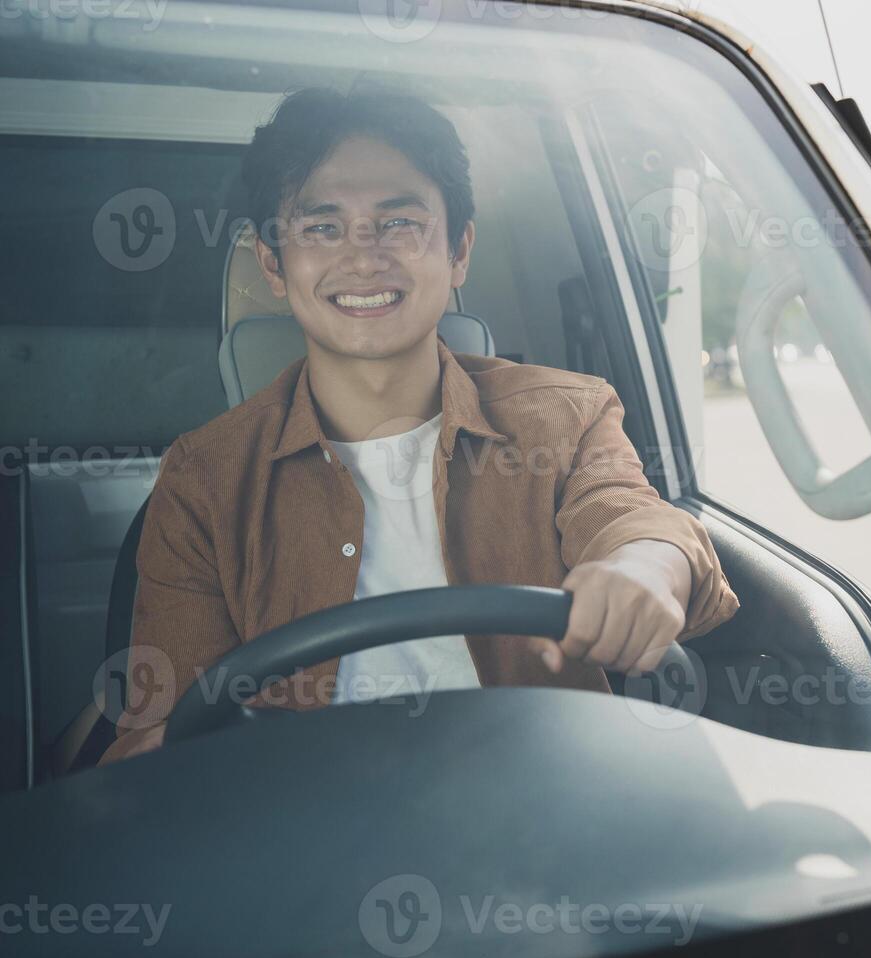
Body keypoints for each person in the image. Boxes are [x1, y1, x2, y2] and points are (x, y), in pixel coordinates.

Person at [101, 87, 738, 763]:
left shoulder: (564, 415)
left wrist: (643, 568)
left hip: (547, 812)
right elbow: (164, 741)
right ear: (274, 266)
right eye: (322, 228)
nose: (364, 257)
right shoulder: (204, 480)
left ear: (459, 250)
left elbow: (635, 521)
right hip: (303, 833)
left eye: (398, 223)